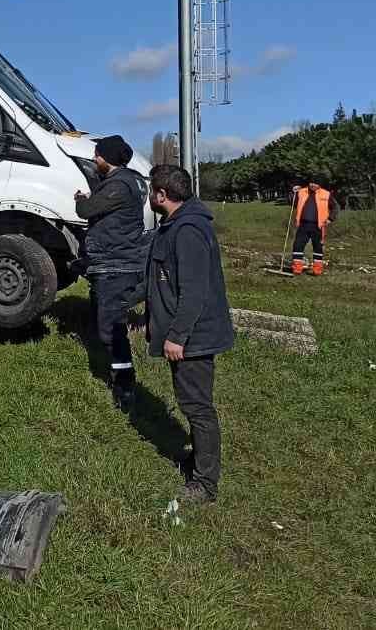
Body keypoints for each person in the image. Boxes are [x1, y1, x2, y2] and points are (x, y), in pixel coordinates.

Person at [135, 164, 235, 504]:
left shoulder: (188, 230)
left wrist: (177, 336)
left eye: (152, 191)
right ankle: (199, 460)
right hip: (188, 332)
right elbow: (163, 282)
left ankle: (205, 483)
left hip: (195, 336)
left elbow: (194, 292)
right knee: (191, 402)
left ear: (162, 195)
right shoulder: (176, 224)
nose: (150, 196)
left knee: (198, 407)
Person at [73, 135, 150, 409]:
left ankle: (125, 386)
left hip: (116, 266)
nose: (95, 159)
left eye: (98, 155)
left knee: (112, 330)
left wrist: (80, 199)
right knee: (105, 320)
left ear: (108, 158)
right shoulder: (125, 181)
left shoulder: (118, 185)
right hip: (113, 263)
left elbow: (86, 210)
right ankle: (118, 373)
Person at [290, 182, 338, 275]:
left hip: (319, 226)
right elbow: (293, 203)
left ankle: (317, 270)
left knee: (318, 247)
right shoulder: (301, 192)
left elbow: (335, 208)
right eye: (311, 183)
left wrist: (330, 219)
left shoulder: (326, 194)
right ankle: (297, 269)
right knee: (297, 245)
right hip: (303, 224)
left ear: (319, 184)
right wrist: (293, 193)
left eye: (316, 183)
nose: (313, 185)